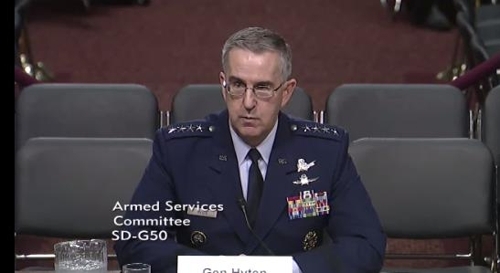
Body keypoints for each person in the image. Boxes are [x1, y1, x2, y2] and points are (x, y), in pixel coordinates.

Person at [113, 26, 387, 273]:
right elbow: (135, 240)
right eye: (237, 85)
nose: (248, 102)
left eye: (263, 88)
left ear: (287, 92)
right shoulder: (179, 151)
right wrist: (214, 269)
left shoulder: (325, 152)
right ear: (223, 85)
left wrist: (291, 269)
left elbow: (365, 245)